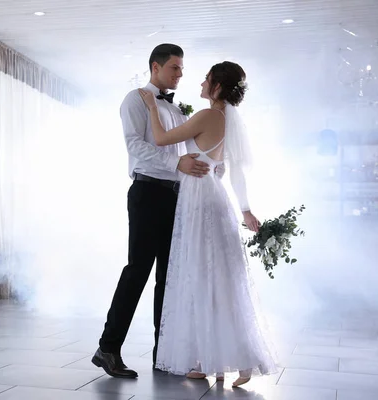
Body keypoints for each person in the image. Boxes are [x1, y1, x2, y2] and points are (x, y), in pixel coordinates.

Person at [138, 61, 277, 387]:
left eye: (206, 78)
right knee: (215, 279)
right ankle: (214, 358)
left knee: (201, 275)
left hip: (200, 202)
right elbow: (234, 171)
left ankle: (215, 357)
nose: (200, 81)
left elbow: (160, 139)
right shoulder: (228, 119)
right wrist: (245, 210)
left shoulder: (209, 116)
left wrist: (150, 107)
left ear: (216, 86)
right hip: (215, 201)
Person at [92, 44, 224, 379]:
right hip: (147, 192)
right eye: (175, 68)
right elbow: (135, 145)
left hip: (176, 196)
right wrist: (176, 161)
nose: (180, 74)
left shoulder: (176, 107)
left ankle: (162, 355)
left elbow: (186, 146)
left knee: (169, 277)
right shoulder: (135, 100)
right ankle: (108, 348)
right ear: (156, 67)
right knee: (138, 270)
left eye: (182, 68)